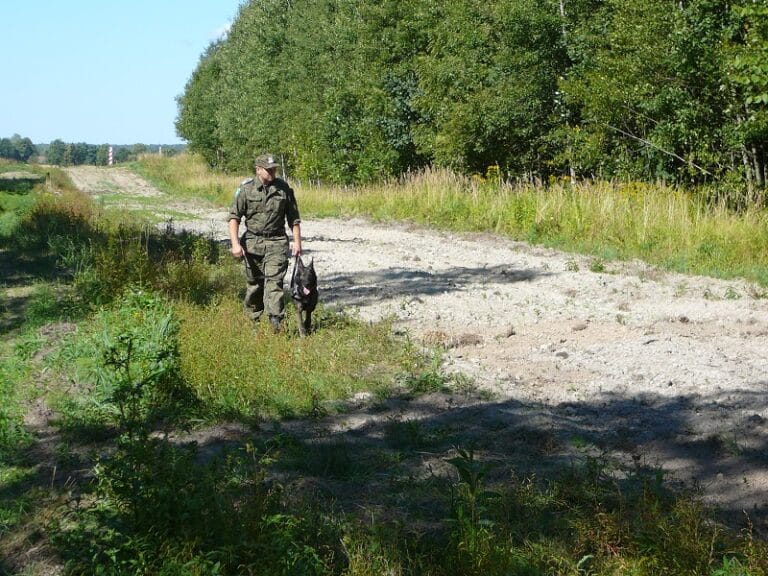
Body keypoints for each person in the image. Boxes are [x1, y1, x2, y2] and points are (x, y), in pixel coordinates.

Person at [228, 153, 302, 332]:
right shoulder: (246, 189)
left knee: (274, 284)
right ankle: (252, 322)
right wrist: (235, 244)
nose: (272, 172)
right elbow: (234, 218)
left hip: (277, 242)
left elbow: (294, 219)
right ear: (258, 170)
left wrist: (297, 242)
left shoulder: (283, 189)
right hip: (252, 244)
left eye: (274, 169)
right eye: (268, 169)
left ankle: (276, 325)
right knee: (255, 285)